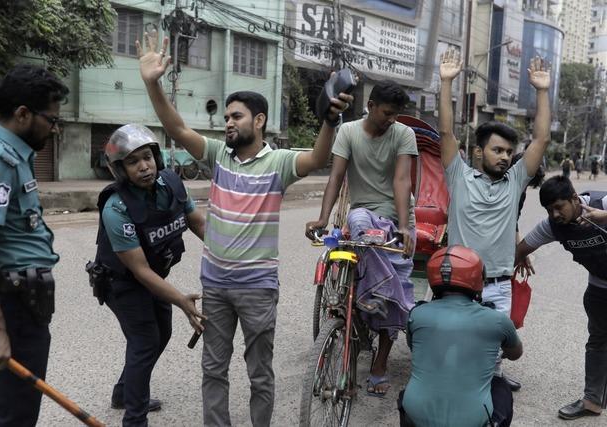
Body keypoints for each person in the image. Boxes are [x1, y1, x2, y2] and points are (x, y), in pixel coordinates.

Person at [136, 31, 353, 426]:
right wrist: (152, 84)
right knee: (213, 369)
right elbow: (178, 128)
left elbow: (320, 157)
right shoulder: (220, 156)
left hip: (257, 289)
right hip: (215, 286)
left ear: (259, 120)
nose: (229, 124)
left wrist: (329, 119)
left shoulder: (279, 163)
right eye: (226, 118)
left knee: (259, 373)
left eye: (236, 117)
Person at [438, 49, 551, 392]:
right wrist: (445, 83)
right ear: (478, 152)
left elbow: (542, 139)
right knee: (452, 358)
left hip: (499, 285)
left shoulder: (515, 180)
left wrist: (542, 91)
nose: (504, 157)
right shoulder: (458, 175)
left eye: (507, 152)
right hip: (455, 284)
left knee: (493, 356)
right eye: (497, 150)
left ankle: (494, 378)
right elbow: (445, 134)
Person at [0, 64, 68, 426]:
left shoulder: (15, 156)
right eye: (51, 120)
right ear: (23, 114)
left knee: (4, 402)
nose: (54, 128)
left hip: (25, 299)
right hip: (14, 301)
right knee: (16, 411)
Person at [305, 80, 417, 397]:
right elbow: (337, 176)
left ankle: (380, 364)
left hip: (395, 218)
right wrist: (323, 218)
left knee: (393, 289)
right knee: (356, 219)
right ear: (370, 106)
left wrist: (405, 225)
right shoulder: (349, 132)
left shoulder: (403, 134)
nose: (392, 119)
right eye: (387, 113)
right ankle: (375, 294)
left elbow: (401, 180)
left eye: (396, 114)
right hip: (363, 213)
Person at [90, 124, 206, 426]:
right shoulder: (116, 207)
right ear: (120, 169)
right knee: (144, 340)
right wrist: (181, 300)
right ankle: (135, 419)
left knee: (162, 334)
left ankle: (123, 392)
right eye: (133, 161)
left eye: (147, 157)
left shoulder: (172, 186)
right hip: (121, 283)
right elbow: (139, 270)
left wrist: (234, 255)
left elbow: (200, 225)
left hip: (152, 276)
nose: (144, 166)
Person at [515, 176, 607, 420]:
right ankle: (592, 402)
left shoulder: (604, 203)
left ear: (575, 199)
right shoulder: (553, 226)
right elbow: (521, 249)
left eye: (559, 207)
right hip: (600, 287)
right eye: (549, 209)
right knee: (598, 342)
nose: (555, 214)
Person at [400, 245, 523, 427]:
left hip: (416, 416)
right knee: (500, 387)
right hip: (472, 420)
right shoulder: (497, 320)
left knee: (407, 393)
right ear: (478, 279)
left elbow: (415, 348)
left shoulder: (416, 315)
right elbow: (515, 354)